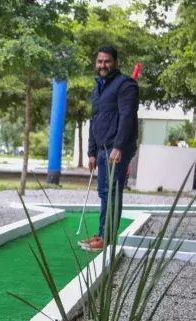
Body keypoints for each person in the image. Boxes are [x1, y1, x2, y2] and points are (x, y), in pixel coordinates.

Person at [79, 46, 139, 252]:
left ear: (115, 62)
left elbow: (127, 117)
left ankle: (107, 237)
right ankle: (102, 234)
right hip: (102, 148)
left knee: (113, 192)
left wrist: (119, 146)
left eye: (107, 61)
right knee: (105, 193)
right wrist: (91, 152)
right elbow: (94, 120)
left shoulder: (126, 85)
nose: (103, 65)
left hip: (117, 149)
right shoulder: (97, 88)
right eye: (100, 61)